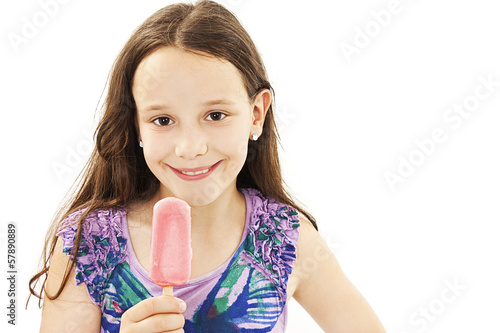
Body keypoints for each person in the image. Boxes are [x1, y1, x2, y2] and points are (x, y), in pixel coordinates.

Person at [29, 1, 386, 332]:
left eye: (215, 115)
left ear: (256, 115)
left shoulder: (286, 240)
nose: (190, 148)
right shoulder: (85, 245)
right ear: (136, 125)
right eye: (163, 120)